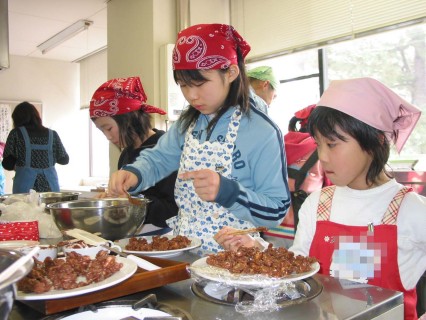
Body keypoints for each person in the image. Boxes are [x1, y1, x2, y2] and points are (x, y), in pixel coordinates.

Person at [214, 77, 426, 320]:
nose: (322, 156)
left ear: (375, 140)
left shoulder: (410, 210)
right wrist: (256, 249)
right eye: (319, 144)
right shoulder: (318, 204)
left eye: (333, 144)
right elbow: (298, 269)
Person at [107, 23, 291, 254]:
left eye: (200, 83)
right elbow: (160, 158)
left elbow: (276, 210)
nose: (191, 95)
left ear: (231, 73)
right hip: (185, 249)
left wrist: (229, 191)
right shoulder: (188, 122)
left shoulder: (261, 132)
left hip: (235, 256)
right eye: (183, 85)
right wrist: (134, 174)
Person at [89, 76, 179, 229]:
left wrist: (132, 201)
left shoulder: (165, 151)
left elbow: (173, 209)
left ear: (129, 119)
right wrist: (113, 199)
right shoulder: (126, 154)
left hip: (164, 237)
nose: (108, 137)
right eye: (101, 130)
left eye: (109, 128)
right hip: (134, 234)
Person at [263, 104, 330, 248]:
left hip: (269, 224)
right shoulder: (322, 150)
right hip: (303, 228)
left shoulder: (275, 144)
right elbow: (330, 189)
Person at [2, 102, 69, 193]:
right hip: (50, 191)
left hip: (25, 190)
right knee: (49, 207)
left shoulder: (16, 133)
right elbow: (64, 160)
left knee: (25, 207)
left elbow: (7, 164)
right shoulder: (52, 134)